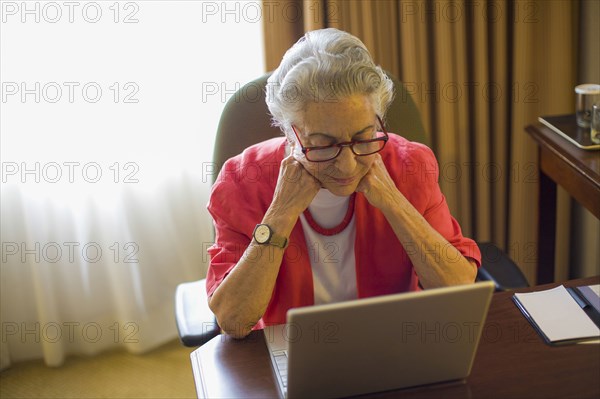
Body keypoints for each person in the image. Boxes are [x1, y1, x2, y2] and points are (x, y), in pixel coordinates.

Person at [206, 28, 481, 338]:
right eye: (323, 145)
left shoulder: (410, 165)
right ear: (288, 132)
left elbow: (458, 291)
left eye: (363, 137)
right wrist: (280, 213)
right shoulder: (241, 181)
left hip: (393, 341)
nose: (347, 165)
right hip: (292, 349)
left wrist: (393, 202)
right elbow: (233, 319)